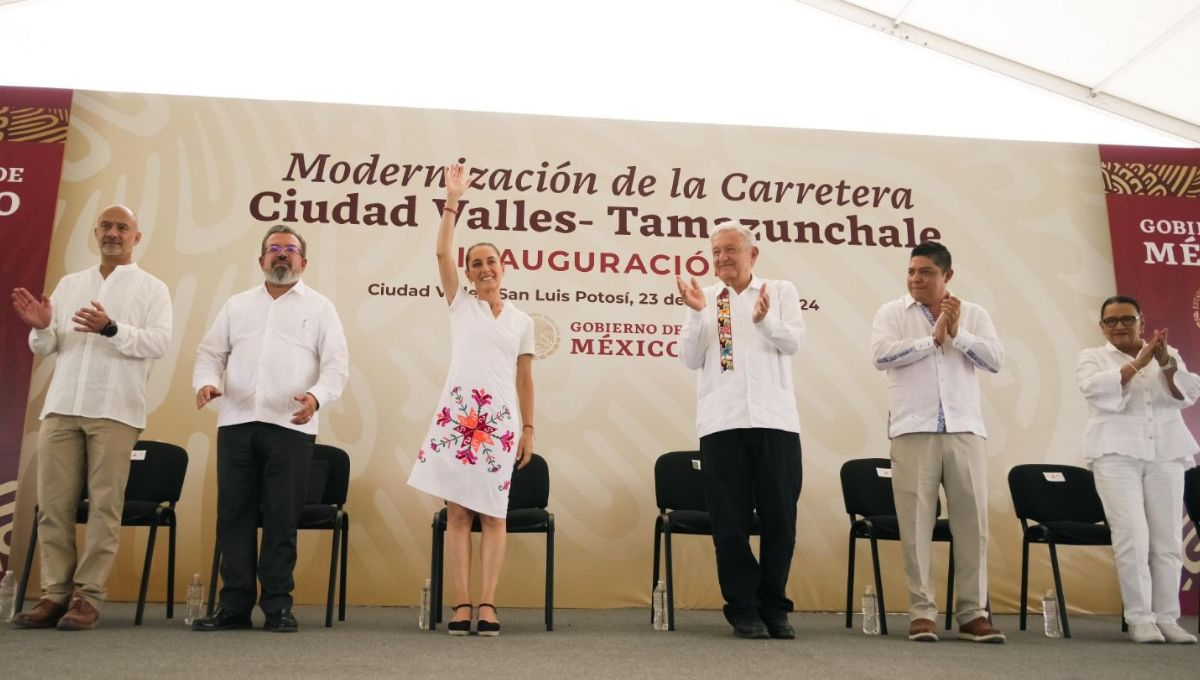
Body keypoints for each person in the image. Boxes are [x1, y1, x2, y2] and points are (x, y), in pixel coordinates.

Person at [10, 204, 172, 630]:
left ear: (137, 237)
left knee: (104, 506)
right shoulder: (71, 284)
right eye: (106, 226)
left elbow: (158, 342)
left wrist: (111, 328)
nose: (113, 233)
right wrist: (43, 326)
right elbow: (46, 345)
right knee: (54, 507)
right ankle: (54, 595)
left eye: (122, 227)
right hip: (63, 406)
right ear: (95, 233)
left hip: (115, 409)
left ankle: (89, 597)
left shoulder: (152, 288)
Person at [191, 224, 348, 633]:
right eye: (273, 249)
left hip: (291, 428)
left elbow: (336, 367)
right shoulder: (237, 305)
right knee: (234, 517)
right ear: (261, 260)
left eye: (290, 250)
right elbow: (209, 354)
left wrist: (316, 397)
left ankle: (278, 605)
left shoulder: (320, 308)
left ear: (303, 261)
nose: (282, 255)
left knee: (281, 519)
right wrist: (204, 382)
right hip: (237, 423)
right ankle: (234, 607)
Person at [408, 163, 535, 637]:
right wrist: (452, 200)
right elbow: (442, 250)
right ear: (468, 272)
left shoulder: (521, 321)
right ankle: (461, 605)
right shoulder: (460, 304)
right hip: (460, 423)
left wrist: (528, 428)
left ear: (504, 269)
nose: (484, 269)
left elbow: (525, 379)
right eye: (476, 263)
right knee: (458, 514)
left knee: (494, 515)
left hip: (500, 427)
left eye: (491, 262)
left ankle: (488, 604)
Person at [870, 241, 1005, 643]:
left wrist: (958, 334)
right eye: (911, 272)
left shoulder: (974, 314)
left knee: (972, 525)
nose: (915, 279)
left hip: (964, 429)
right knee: (915, 526)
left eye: (925, 272)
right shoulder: (892, 312)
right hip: (913, 429)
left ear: (948, 276)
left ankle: (972, 614)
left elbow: (995, 360)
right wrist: (931, 340)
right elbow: (880, 355)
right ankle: (922, 614)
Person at [675, 222, 804, 640]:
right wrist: (696, 314)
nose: (722, 259)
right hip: (722, 424)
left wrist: (764, 321)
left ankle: (775, 606)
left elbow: (792, 343)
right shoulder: (706, 299)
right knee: (728, 524)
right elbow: (690, 359)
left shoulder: (780, 291)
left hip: (775, 423)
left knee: (780, 521)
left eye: (730, 250)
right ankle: (744, 608)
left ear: (753, 254)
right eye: (716, 252)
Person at [1077, 295, 1199, 644]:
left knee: (1167, 539)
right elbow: (1095, 391)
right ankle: (1140, 618)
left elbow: (1184, 395)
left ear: (1141, 322)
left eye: (1127, 319)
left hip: (1165, 452)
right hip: (1115, 453)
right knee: (1132, 535)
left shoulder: (1168, 352)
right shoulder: (1092, 357)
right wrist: (1138, 363)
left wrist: (1165, 366)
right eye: (1111, 321)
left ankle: (1168, 618)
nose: (1119, 326)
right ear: (1102, 326)